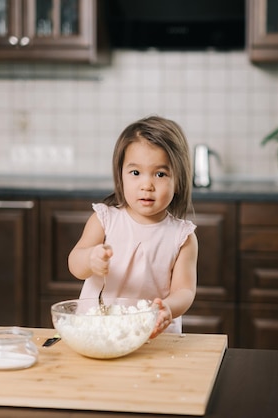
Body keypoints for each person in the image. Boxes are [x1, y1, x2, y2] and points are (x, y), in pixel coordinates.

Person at [68, 115, 198, 338]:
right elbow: (75, 264)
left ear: (178, 181)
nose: (146, 185)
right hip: (98, 332)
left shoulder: (182, 237)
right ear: (121, 176)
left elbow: (184, 291)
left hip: (153, 336)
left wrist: (168, 307)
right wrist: (90, 259)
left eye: (160, 174)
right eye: (135, 173)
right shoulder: (104, 220)